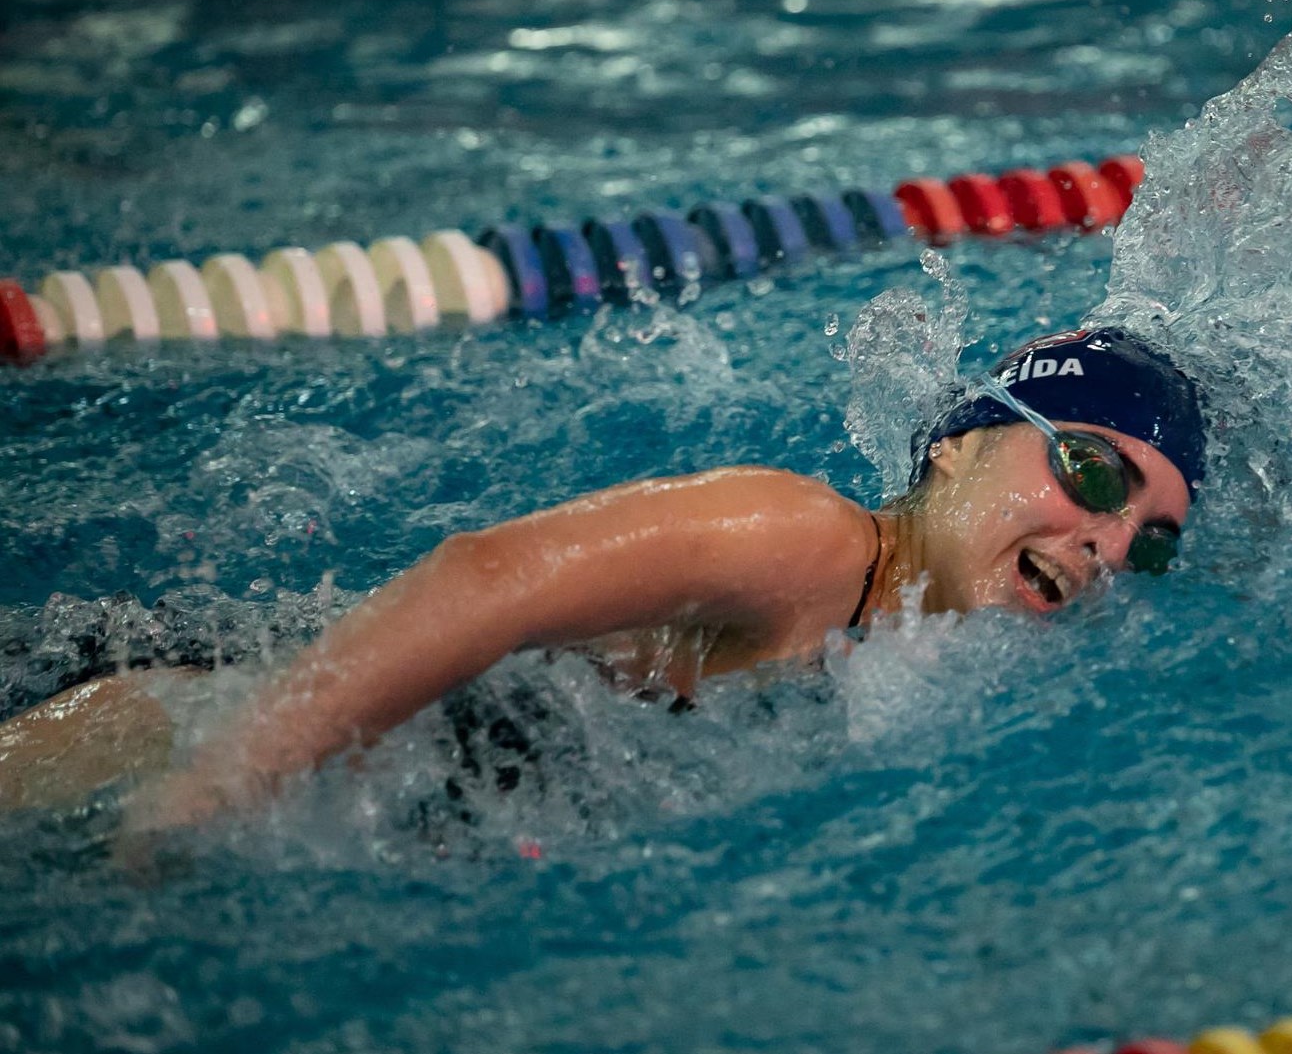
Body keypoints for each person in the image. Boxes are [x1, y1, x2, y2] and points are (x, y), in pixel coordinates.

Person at [0, 327, 1207, 832]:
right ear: (959, 440)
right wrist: (216, 778)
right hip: (172, 699)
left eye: (1151, 537)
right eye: (1094, 475)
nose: (1110, 543)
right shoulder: (808, 540)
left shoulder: (928, 657)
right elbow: (489, 575)